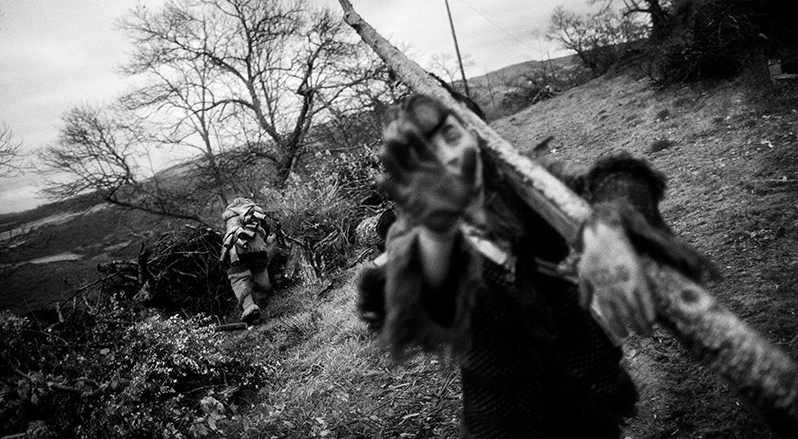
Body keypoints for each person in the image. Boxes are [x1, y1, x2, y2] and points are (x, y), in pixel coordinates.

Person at [357, 94, 712, 438]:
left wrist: (606, 227)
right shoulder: (418, 233)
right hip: (503, 415)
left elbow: (617, 184)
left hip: (584, 378)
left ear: (475, 134)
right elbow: (400, 293)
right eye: (430, 153)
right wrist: (438, 233)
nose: (449, 158)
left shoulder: (526, 181)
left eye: (452, 136)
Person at [220, 197, 277, 323]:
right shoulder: (257, 212)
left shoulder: (229, 218)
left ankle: (250, 307)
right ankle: (264, 302)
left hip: (237, 250)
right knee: (260, 270)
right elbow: (268, 237)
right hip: (259, 248)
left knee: (239, 277)